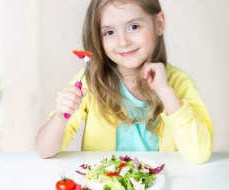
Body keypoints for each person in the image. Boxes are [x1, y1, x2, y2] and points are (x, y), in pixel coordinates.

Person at [35, 0, 213, 164]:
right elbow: (44, 150)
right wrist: (60, 116)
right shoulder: (90, 82)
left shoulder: (179, 82)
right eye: (109, 32)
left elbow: (199, 154)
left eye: (134, 26)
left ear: (159, 24)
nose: (123, 41)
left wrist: (165, 91)